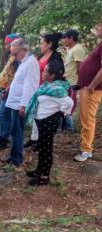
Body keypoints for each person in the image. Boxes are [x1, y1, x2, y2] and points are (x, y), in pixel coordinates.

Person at [25, 61, 73, 186]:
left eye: (45, 71)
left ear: (52, 75)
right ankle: (39, 170)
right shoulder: (47, 86)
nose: (42, 72)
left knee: (46, 149)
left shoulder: (57, 89)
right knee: (42, 148)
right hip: (42, 121)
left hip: (48, 122)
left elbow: (69, 103)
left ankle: (45, 177)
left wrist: (62, 113)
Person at [25, 33, 64, 150]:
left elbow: (59, 74)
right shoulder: (40, 56)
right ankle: (34, 139)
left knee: (42, 116)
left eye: (42, 43)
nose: (40, 45)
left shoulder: (55, 57)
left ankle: (40, 141)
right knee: (36, 114)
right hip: (37, 89)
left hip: (47, 91)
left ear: (50, 44)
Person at [5, 38, 40, 167]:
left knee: (17, 131)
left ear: (24, 50)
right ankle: (13, 156)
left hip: (20, 104)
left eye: (15, 53)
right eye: (12, 54)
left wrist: (23, 105)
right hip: (15, 102)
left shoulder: (30, 63)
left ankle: (16, 159)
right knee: (14, 130)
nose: (13, 56)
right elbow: (19, 81)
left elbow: (29, 86)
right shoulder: (23, 62)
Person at [74, 21, 102, 162]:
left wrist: (91, 85)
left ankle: (86, 150)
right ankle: (85, 145)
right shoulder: (100, 44)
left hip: (93, 89)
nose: (97, 28)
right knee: (85, 117)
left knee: (88, 119)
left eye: (100, 25)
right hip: (88, 88)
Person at [0, 34, 21, 152]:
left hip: (8, 91)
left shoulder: (17, 60)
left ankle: (3, 140)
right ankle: (5, 138)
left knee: (2, 114)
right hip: (5, 90)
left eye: (7, 44)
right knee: (5, 115)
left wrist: (7, 90)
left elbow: (16, 78)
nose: (5, 46)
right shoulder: (12, 57)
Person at [62, 29, 86, 132]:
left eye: (65, 38)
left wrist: (79, 83)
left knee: (70, 103)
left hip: (73, 82)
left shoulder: (77, 49)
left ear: (71, 38)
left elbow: (80, 67)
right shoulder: (70, 49)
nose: (63, 40)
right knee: (65, 103)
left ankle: (70, 127)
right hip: (67, 81)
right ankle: (65, 126)